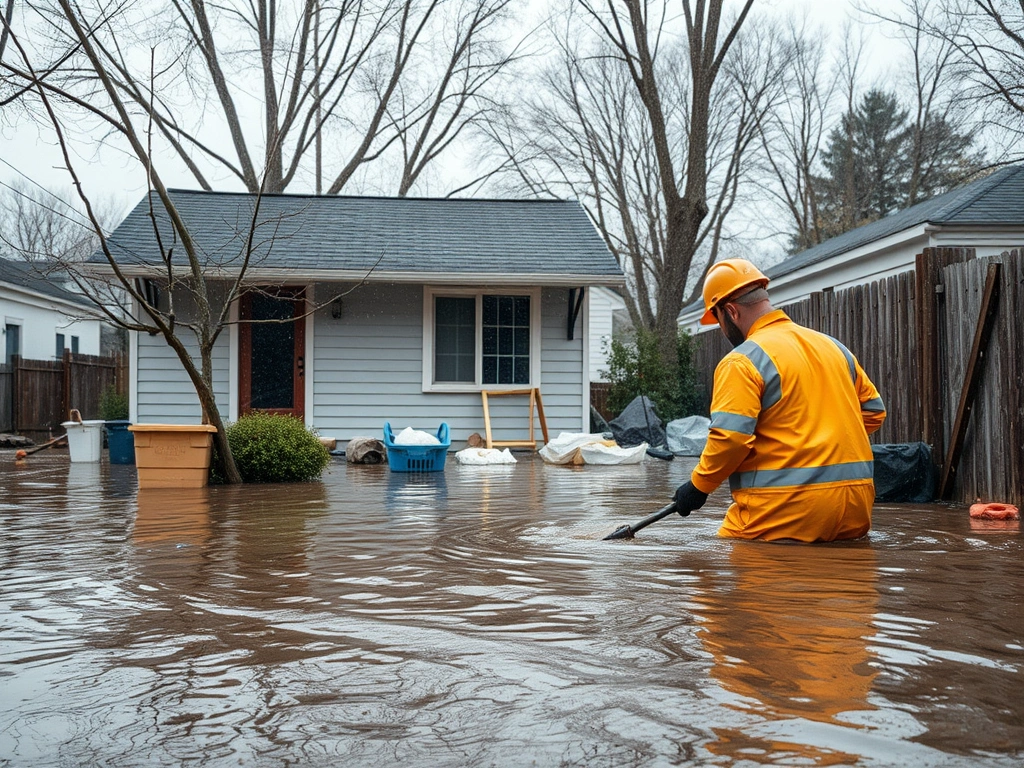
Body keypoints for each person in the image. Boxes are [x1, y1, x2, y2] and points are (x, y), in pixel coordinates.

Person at [673, 258, 887, 542]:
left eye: (719, 320)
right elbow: (873, 412)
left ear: (731, 312)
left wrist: (698, 486)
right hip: (855, 510)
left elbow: (731, 439)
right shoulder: (834, 347)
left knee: (715, 566)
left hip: (785, 512)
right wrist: (816, 434)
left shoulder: (742, 361)